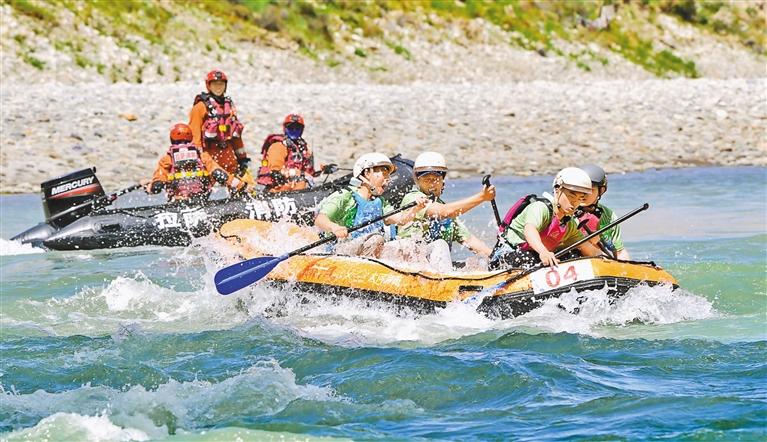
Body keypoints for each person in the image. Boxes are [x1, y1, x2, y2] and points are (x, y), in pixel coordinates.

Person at [394, 152, 495, 273]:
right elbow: (444, 212)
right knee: (440, 245)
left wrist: (497, 256)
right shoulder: (414, 198)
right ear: (417, 180)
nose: (432, 184)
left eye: (436, 179)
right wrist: (482, 197)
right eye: (427, 179)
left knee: (481, 261)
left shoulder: (444, 207)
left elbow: (470, 241)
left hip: (437, 267)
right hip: (412, 265)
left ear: (443, 180)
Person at [314, 153, 428, 258]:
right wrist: (335, 228)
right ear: (367, 173)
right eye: (384, 174)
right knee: (376, 239)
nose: (388, 180)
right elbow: (320, 219)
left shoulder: (381, 202)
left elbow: (401, 220)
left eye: (388, 176)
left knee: (407, 245)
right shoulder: (345, 196)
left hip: (370, 248)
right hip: (342, 251)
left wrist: (415, 209)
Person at [489, 167, 603, 269]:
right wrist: (543, 252)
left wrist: (604, 257)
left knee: (574, 256)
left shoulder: (569, 223)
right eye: (571, 196)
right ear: (557, 190)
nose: (574, 203)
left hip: (533, 256)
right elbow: (530, 230)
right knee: (530, 258)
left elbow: (587, 248)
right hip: (505, 257)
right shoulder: (540, 208)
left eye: (580, 199)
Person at [144, 123, 251, 202]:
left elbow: (158, 182)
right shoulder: (201, 155)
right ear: (191, 137)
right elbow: (219, 173)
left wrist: (150, 187)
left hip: (178, 201)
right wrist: (242, 186)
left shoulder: (167, 159)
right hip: (201, 199)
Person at [188, 69, 254, 186]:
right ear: (208, 86)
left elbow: (236, 135)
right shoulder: (200, 107)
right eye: (215, 84)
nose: (218, 87)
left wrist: (242, 158)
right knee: (207, 187)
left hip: (227, 152)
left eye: (221, 84)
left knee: (246, 185)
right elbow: (194, 137)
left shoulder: (229, 107)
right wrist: (198, 158)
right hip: (209, 154)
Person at [257, 114, 337, 192]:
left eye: (297, 128)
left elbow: (310, 175)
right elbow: (275, 172)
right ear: (285, 128)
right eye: (291, 127)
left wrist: (323, 171)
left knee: (304, 181)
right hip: (278, 190)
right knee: (301, 180)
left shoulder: (303, 149)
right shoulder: (278, 146)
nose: (294, 130)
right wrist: (298, 173)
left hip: (299, 189)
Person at [577, 164, 630, 260]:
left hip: (598, 260)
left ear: (601, 190)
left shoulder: (609, 216)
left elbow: (619, 252)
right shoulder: (565, 211)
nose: (583, 194)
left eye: (589, 190)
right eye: (580, 189)